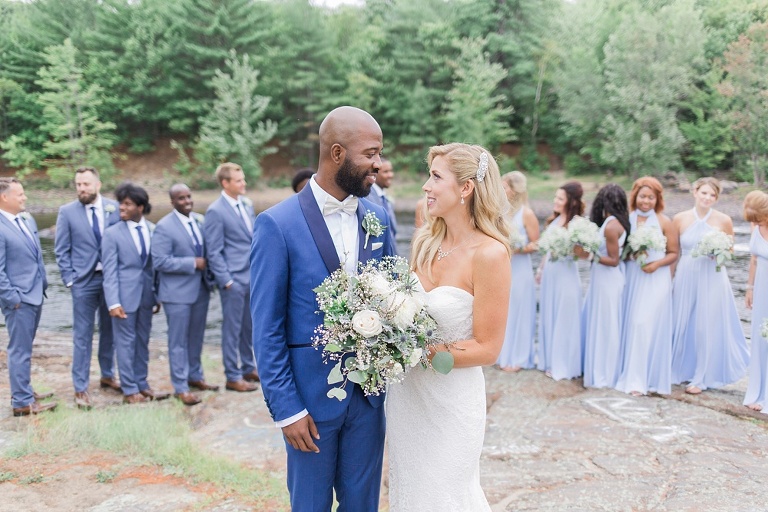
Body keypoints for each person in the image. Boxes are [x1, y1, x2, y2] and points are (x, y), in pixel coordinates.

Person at [250, 106, 395, 512]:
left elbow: (394, 297)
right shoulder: (276, 225)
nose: (378, 165)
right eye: (370, 154)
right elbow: (266, 328)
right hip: (308, 406)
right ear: (336, 154)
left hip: (368, 401)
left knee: (363, 506)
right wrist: (287, 409)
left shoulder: (378, 218)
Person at [387, 143, 511, 511]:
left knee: (445, 496)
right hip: (408, 399)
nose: (426, 186)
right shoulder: (426, 241)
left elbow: (488, 347)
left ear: (466, 188)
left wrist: (415, 351)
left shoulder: (490, 254)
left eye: (436, 177)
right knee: (411, 492)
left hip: (452, 402)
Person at [671, 177, 748, 394]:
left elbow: (730, 252)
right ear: (695, 192)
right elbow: (674, 253)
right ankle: (679, 369)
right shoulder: (679, 218)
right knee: (683, 320)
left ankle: (701, 377)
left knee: (706, 324)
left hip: (713, 277)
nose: (707, 198)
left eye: (712, 195)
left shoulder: (724, 220)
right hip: (686, 274)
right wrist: (669, 280)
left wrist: (718, 253)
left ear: (716, 198)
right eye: (704, 193)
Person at [54, 166, 121, 410]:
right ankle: (80, 387)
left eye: (86, 184)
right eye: (78, 185)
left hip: (111, 280)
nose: (82, 189)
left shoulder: (114, 208)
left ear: (98, 185)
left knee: (110, 330)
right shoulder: (67, 212)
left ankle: (107, 375)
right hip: (83, 281)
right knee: (82, 336)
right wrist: (70, 280)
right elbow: (62, 250)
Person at [102, 182, 169, 404]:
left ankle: (142, 383)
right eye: (121, 203)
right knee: (125, 342)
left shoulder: (152, 229)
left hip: (147, 296)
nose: (121, 207)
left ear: (141, 207)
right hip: (123, 298)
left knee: (142, 340)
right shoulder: (112, 234)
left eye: (127, 204)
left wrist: (157, 295)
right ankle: (129, 389)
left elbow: (154, 267)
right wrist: (113, 302)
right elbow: (109, 270)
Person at [151, 184, 217, 406]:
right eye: (181, 198)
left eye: (188, 196)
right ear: (172, 202)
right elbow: (160, 261)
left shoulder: (199, 220)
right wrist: (192, 263)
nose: (187, 201)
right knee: (178, 341)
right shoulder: (163, 227)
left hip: (200, 289)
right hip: (176, 293)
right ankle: (180, 386)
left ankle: (195, 376)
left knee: (196, 336)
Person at [615, 177, 678, 396]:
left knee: (644, 323)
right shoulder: (626, 220)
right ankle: (628, 373)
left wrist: (656, 264)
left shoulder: (664, 221)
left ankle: (640, 380)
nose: (646, 201)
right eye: (643, 196)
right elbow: (620, 250)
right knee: (630, 325)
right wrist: (631, 254)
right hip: (633, 277)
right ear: (635, 196)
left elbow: (673, 253)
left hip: (656, 278)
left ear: (657, 199)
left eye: (651, 197)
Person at [0, 177, 56, 416]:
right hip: (19, 300)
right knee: (19, 350)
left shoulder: (26, 219)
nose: (24, 197)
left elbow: (35, 256)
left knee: (26, 347)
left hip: (35, 294)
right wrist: (13, 298)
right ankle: (21, 402)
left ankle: (26, 389)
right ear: (4, 197)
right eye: (19, 194)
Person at [205, 162, 259, 392]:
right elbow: (213, 250)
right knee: (231, 329)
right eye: (238, 180)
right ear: (225, 183)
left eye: (243, 179)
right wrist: (226, 280)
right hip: (233, 281)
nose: (243, 183)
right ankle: (232, 375)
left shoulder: (246, 205)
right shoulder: (215, 211)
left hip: (251, 276)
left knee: (249, 327)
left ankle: (248, 366)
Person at [581, 184, 629, 389]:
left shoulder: (610, 226)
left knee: (606, 325)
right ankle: (599, 370)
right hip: (603, 280)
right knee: (602, 322)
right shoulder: (617, 222)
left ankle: (604, 375)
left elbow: (614, 260)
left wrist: (590, 254)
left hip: (608, 280)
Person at [536, 181, 585, 380]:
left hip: (566, 275)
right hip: (550, 274)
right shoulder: (553, 221)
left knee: (565, 317)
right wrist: (540, 269)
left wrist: (570, 248)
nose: (555, 201)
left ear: (570, 202)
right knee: (550, 313)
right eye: (555, 197)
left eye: (560, 198)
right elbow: (547, 250)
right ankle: (549, 359)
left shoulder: (577, 225)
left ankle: (564, 364)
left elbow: (584, 254)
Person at [496, 171, 539, 372]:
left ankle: (519, 358)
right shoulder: (501, 212)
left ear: (513, 190)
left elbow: (536, 243)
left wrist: (518, 247)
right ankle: (503, 353)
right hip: (503, 267)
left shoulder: (526, 214)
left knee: (520, 309)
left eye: (504, 186)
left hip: (521, 269)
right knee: (504, 310)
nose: (501, 189)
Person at [742, 190, 768, 412]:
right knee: (760, 337)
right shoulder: (755, 227)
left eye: (758, 219)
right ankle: (758, 390)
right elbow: (754, 259)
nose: (755, 223)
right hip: (761, 287)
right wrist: (749, 288)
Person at [367, 157, 398, 253]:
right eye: (385, 172)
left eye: (391, 171)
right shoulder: (368, 198)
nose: (390, 175)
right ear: (374, 174)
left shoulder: (385, 198)